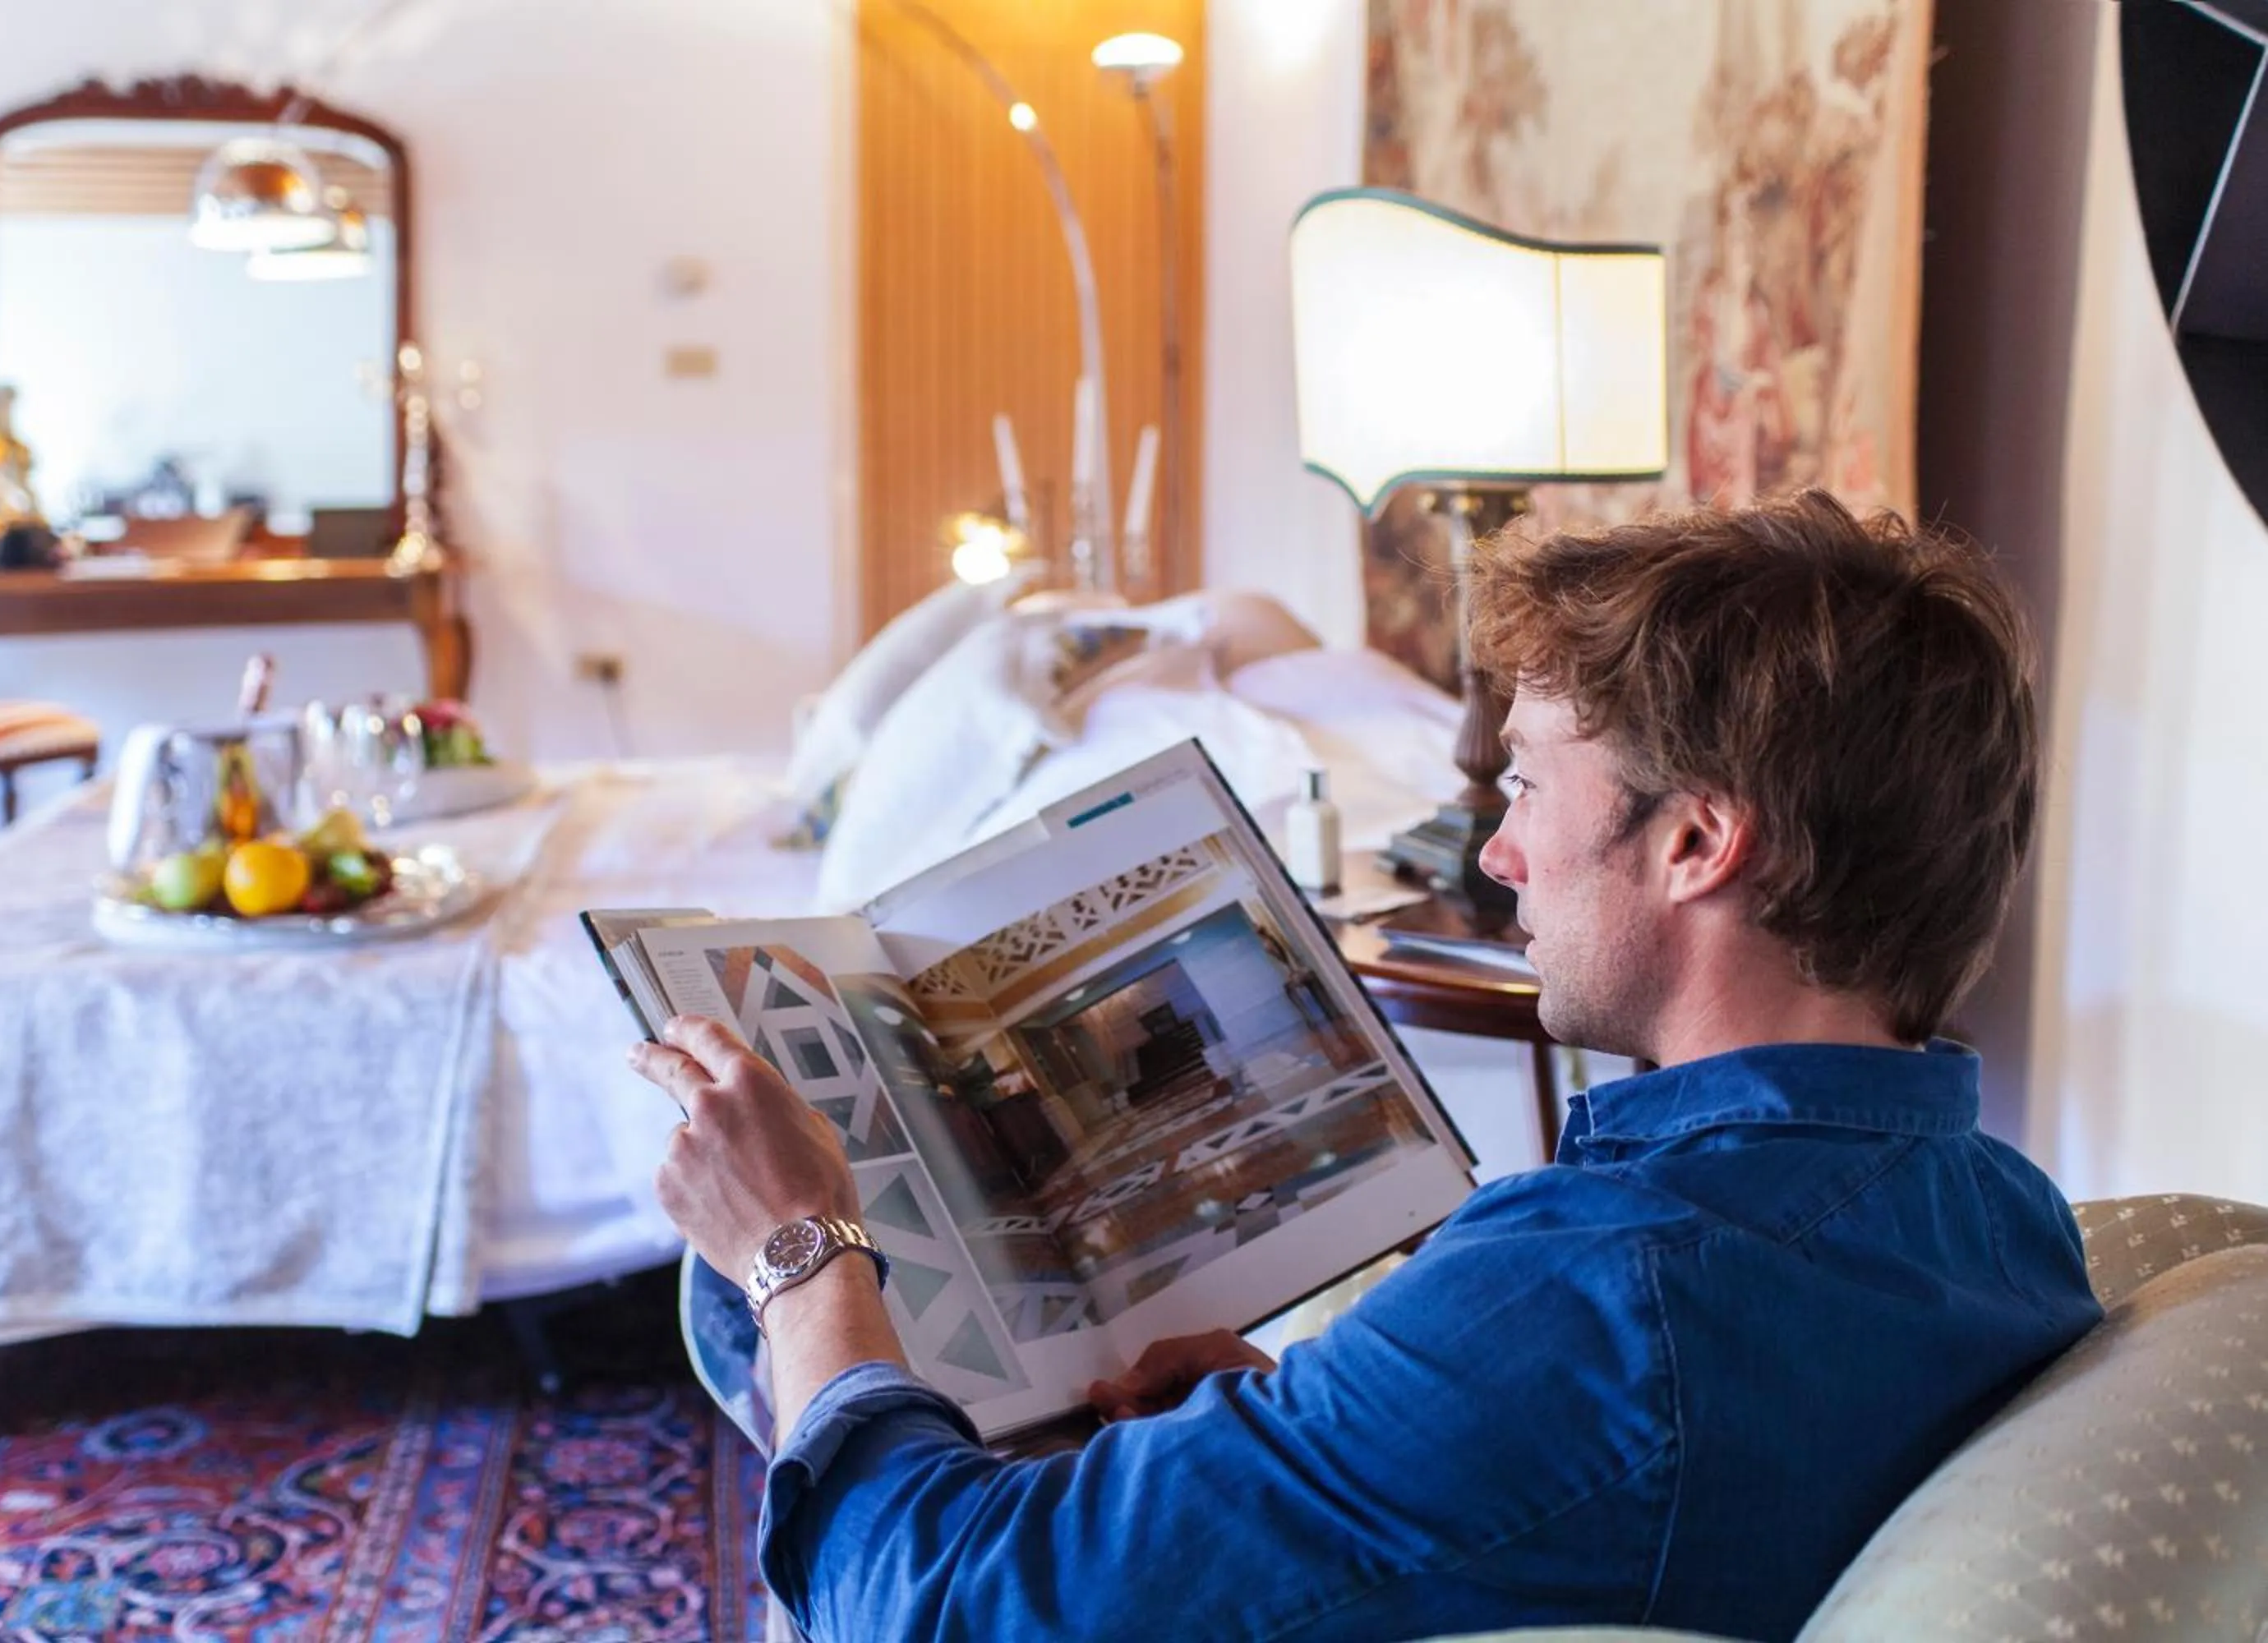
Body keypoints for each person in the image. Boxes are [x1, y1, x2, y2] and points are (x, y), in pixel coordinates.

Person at [633, 490, 2101, 1642]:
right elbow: (1613, 1484)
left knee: (744, 1294)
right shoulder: (2000, 1217)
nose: (1498, 852)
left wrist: (800, 1252)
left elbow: (929, 1612)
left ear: (1698, 842)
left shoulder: (1603, 1291)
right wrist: (1308, 1434)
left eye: (1527, 785)